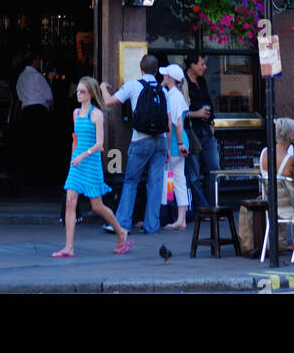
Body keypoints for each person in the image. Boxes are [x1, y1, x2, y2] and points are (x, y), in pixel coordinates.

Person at [52, 77, 130, 257]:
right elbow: (76, 139)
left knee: (97, 206)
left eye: (82, 91)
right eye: (78, 91)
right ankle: (68, 247)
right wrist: (73, 157)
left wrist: (81, 155)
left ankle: (120, 231)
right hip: (77, 162)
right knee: (70, 202)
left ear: (91, 93)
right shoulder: (75, 113)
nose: (78, 94)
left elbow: (99, 143)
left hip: (91, 161)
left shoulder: (96, 114)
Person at [101, 54, 168, 236]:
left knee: (130, 181)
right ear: (156, 70)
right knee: (156, 183)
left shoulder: (133, 85)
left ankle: (122, 223)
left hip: (140, 140)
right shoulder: (163, 91)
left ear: (141, 69)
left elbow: (109, 102)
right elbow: (168, 122)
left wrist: (102, 88)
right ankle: (152, 226)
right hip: (160, 141)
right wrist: (168, 148)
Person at [184, 52, 221, 206]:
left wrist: (212, 123)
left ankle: (213, 205)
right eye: (202, 64)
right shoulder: (183, 83)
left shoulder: (202, 81)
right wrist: (195, 114)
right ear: (192, 65)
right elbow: (178, 110)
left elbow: (209, 102)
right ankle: (203, 208)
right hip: (192, 133)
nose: (205, 67)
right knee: (193, 174)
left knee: (214, 170)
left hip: (206, 131)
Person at [15, 52, 54, 187]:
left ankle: (29, 177)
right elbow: (48, 95)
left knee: (29, 144)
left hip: (26, 112)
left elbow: (19, 95)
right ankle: (39, 177)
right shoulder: (37, 76)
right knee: (40, 144)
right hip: (38, 111)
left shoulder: (20, 77)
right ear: (35, 61)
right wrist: (50, 106)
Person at [159, 63, 190, 231]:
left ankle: (166, 215)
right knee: (178, 179)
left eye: (165, 75)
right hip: (181, 142)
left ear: (171, 79)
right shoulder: (179, 95)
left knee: (166, 178)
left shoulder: (172, 96)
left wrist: (176, 146)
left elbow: (176, 124)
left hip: (175, 143)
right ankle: (180, 218)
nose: (163, 77)